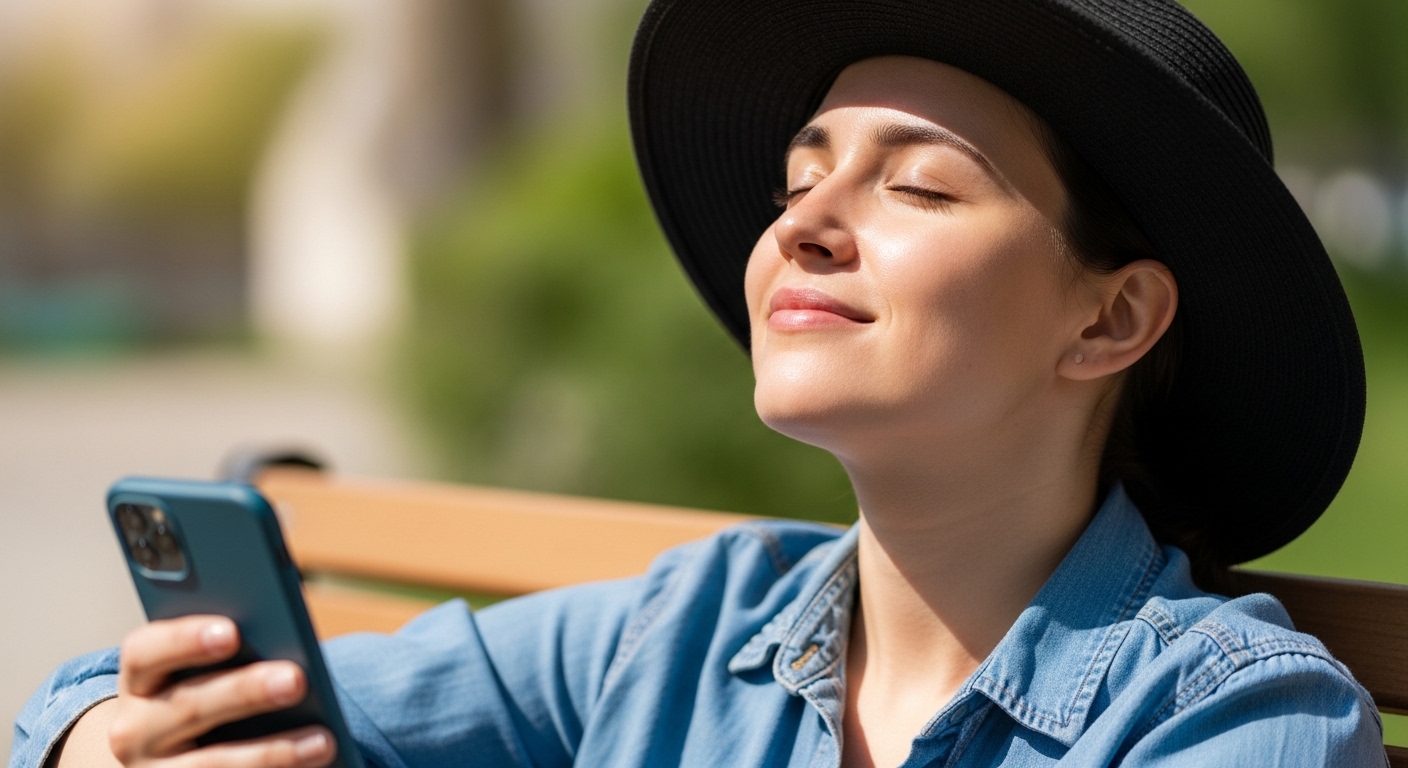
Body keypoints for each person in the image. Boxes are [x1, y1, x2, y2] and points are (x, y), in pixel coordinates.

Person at [13, 1, 1386, 766]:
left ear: (1113, 318)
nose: (803, 223)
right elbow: (77, 703)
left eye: (915, 183)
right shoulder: (681, 630)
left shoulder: (1234, 719)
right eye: (799, 178)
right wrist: (109, 744)